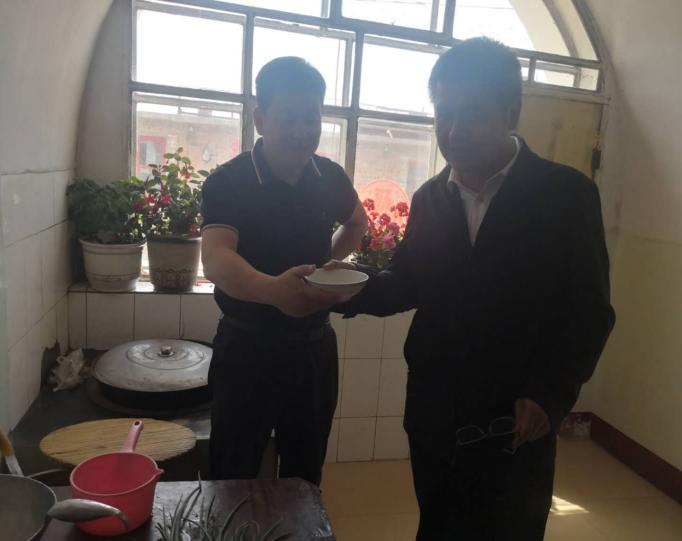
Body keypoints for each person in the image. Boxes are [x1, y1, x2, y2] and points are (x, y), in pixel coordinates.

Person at [327, 37, 615, 540]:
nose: (454, 131)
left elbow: (589, 312)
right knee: (437, 524)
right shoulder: (431, 197)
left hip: (516, 415)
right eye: (445, 115)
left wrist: (549, 394)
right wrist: (345, 286)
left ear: (510, 113)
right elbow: (407, 282)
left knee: (511, 530)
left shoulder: (566, 195)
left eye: (472, 114)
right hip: (435, 408)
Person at [200, 56, 368, 485]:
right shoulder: (230, 181)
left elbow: (357, 222)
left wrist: (327, 266)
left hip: (313, 349)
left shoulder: (329, 176)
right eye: (287, 119)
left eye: (311, 118)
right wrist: (273, 290)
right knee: (232, 473)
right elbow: (216, 257)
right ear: (260, 119)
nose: (301, 131)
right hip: (247, 348)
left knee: (305, 475)